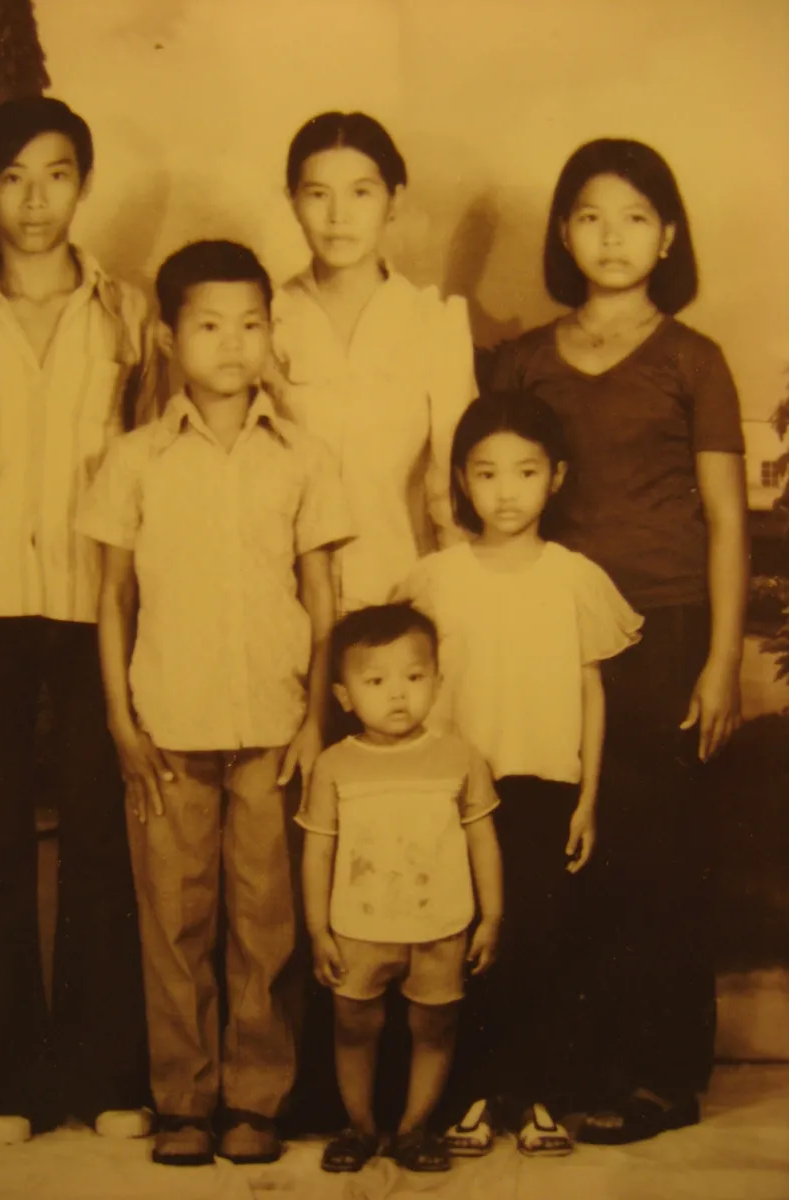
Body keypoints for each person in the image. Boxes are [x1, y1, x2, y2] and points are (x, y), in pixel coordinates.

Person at [480, 138, 748, 1143]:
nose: (613, 236)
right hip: (550, 630)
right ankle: (571, 1066)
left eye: (637, 216)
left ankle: (662, 1073)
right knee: (564, 850)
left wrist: (720, 660)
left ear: (668, 235)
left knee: (661, 855)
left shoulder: (694, 360)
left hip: (670, 628)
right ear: (563, 232)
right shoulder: (525, 361)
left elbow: (725, 518)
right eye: (591, 215)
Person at [0, 96, 157, 1143]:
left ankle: (106, 1076)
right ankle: (0, 1082)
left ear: (82, 183)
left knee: (104, 838)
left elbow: (159, 474)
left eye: (57, 173)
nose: (36, 197)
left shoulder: (129, 316)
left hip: (101, 608)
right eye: (12, 176)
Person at [78, 240, 353, 1167]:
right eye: (208, 324)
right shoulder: (134, 460)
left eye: (250, 323)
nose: (232, 343)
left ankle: (256, 1101)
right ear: (167, 336)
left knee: (267, 926)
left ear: (271, 334)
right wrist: (121, 722)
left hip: (276, 730)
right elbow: (113, 600)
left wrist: (316, 719)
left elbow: (324, 602)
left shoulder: (304, 457)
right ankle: (185, 1102)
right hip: (168, 727)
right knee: (175, 922)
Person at [401, 393, 642, 1156]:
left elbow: (590, 693)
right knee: (465, 944)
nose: (506, 491)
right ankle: (471, 1095)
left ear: (556, 477)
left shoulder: (575, 577)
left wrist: (589, 801)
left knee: (541, 940)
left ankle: (537, 1094)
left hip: (547, 787)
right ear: (461, 482)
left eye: (526, 471)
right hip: (456, 793)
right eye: (487, 473)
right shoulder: (435, 579)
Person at [297, 602, 503, 1174]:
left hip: (440, 925)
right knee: (354, 1027)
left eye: (414, 678)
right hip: (359, 927)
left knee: (434, 1026)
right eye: (376, 681)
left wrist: (491, 917)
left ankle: (415, 1130)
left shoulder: (459, 758)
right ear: (343, 696)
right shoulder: (336, 766)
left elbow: (483, 840)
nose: (397, 695)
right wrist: (318, 928)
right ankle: (359, 1128)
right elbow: (319, 851)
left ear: (437, 682)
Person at [270, 111, 475, 613]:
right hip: (282, 597)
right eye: (318, 194)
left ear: (394, 201)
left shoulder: (433, 322)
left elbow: (452, 483)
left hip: (403, 597)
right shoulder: (263, 320)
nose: (338, 216)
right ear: (291, 200)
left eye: (361, 192)